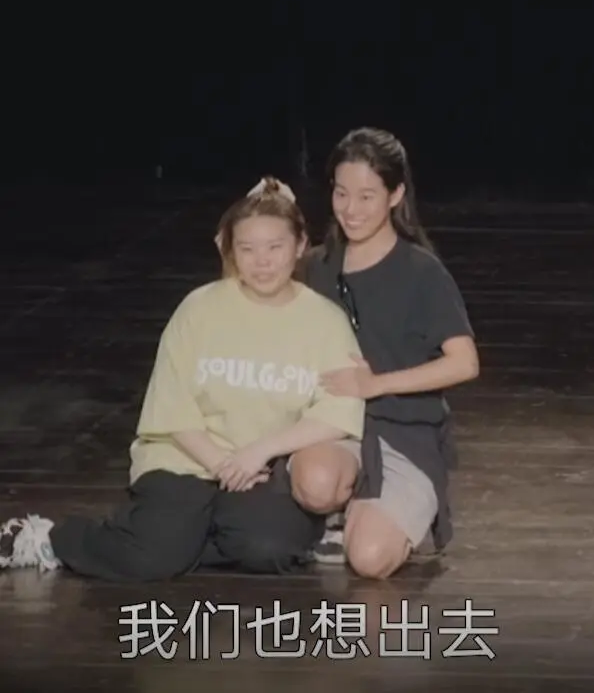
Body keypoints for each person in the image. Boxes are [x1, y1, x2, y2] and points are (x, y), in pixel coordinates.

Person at [0, 178, 365, 580]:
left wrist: (260, 452)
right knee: (151, 560)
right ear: (231, 251)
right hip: (184, 459)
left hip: (261, 467)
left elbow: (337, 413)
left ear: (299, 246)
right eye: (247, 249)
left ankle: (174, 536)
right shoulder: (199, 309)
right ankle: (52, 538)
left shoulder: (324, 320)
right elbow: (173, 409)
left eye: (275, 248)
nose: (262, 262)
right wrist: (222, 464)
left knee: (268, 551)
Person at [293, 127, 479, 580]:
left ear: (395, 195)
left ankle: (379, 516)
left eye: (366, 196)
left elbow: (464, 362)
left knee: (371, 559)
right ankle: (338, 510)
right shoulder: (316, 265)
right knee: (316, 483)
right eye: (341, 194)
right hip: (335, 426)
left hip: (403, 433)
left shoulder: (421, 271)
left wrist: (376, 384)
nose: (350, 209)